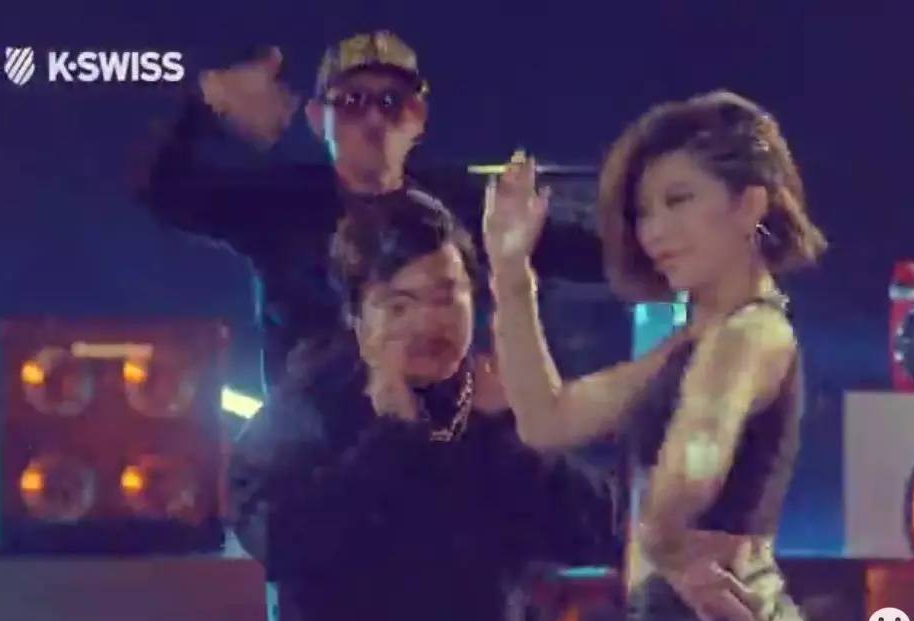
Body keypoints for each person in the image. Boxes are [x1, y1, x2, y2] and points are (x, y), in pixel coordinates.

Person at [483, 92, 832, 621]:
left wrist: (664, 540)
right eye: (644, 212)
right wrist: (512, 275)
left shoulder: (748, 335)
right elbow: (547, 419)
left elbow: (696, 458)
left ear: (749, 204)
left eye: (679, 200)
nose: (654, 232)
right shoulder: (690, 347)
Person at [225, 188, 616, 621]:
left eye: (445, 296)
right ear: (357, 318)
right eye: (398, 305)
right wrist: (390, 438)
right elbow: (281, 542)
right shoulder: (309, 406)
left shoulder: (490, 409)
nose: (428, 323)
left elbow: (596, 530)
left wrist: (511, 435)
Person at [133, 30, 602, 392]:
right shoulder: (280, 202)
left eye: (391, 102)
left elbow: (597, 256)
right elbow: (160, 189)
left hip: (441, 447)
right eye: (352, 102)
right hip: (309, 455)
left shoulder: (467, 205)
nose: (375, 118)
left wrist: (640, 201)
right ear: (317, 119)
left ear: (418, 118)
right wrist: (205, 100)